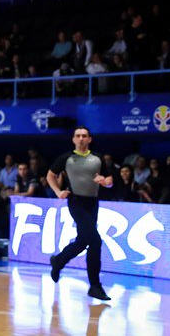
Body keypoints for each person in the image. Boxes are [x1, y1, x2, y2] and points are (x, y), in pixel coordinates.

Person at [47, 127, 113, 301]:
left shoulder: (98, 158)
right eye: (78, 136)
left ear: (90, 139)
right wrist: (58, 192)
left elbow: (110, 180)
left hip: (92, 202)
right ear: (73, 139)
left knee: (83, 241)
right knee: (95, 241)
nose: (81, 138)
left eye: (84, 136)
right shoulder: (66, 158)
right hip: (76, 202)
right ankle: (95, 286)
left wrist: (105, 182)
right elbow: (50, 176)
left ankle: (59, 261)